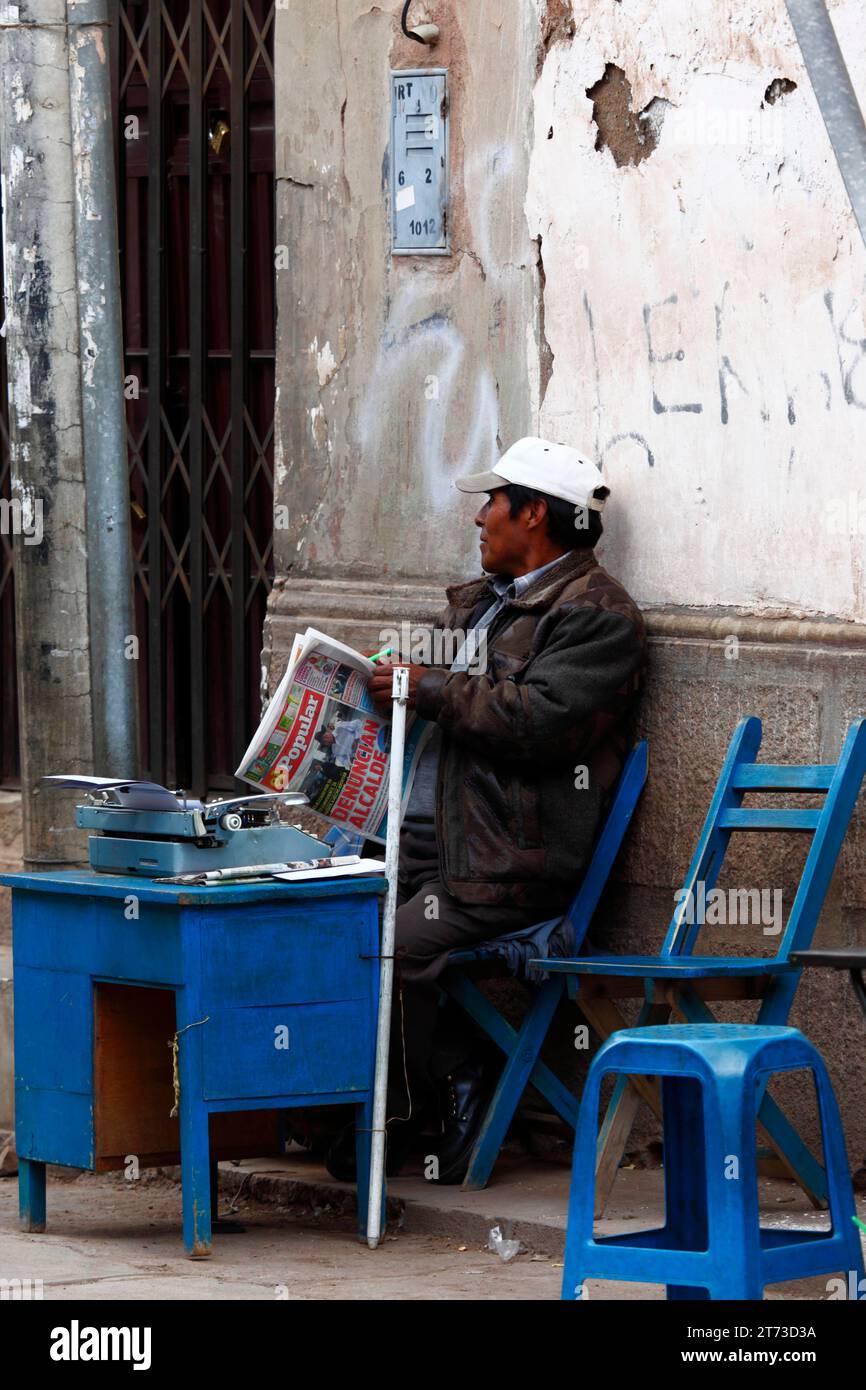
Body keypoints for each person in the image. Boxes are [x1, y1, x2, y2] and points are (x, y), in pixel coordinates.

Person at [325, 437, 646, 1184]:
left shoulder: (599, 616)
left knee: (387, 946)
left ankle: (446, 1088)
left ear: (533, 514)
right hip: (427, 849)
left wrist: (427, 687)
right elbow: (427, 688)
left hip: (506, 867)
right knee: (318, 924)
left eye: (491, 503)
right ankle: (404, 1098)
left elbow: (541, 723)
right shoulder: (480, 605)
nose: (478, 517)